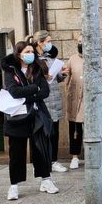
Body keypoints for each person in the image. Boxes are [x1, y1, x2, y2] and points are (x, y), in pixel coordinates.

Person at [1, 41, 59, 200]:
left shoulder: (37, 68)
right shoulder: (11, 70)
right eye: (26, 51)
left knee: (41, 148)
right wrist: (34, 89)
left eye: (31, 51)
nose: (30, 54)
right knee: (17, 152)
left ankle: (46, 179)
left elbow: (45, 91)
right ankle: (14, 186)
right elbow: (14, 91)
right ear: (19, 54)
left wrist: (30, 94)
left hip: (36, 114)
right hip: (18, 116)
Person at [32, 31, 68, 173]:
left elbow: (57, 77)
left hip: (54, 98)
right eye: (47, 41)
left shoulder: (50, 58)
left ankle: (54, 160)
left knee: (54, 132)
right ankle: (42, 161)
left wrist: (62, 74)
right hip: (41, 100)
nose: (49, 44)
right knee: (41, 132)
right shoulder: (33, 60)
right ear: (40, 42)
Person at [63, 36, 85, 170]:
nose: (81, 44)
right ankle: (75, 156)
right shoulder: (72, 59)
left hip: (90, 101)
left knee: (95, 130)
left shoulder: (98, 59)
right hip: (75, 99)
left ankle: (97, 156)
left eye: (83, 42)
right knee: (75, 130)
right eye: (79, 42)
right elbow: (66, 75)